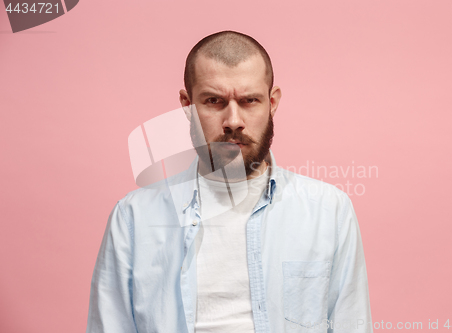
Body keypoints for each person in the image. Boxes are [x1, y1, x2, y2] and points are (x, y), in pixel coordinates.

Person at [86, 30, 373, 333]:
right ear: (187, 105)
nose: (233, 120)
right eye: (214, 100)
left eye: (250, 100)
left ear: (272, 102)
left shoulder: (329, 211)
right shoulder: (133, 218)